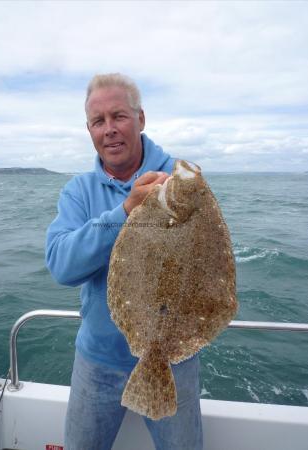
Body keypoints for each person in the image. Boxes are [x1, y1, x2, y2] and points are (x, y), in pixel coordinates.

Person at [46, 73, 203, 450]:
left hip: (171, 361)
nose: (109, 130)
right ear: (89, 130)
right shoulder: (78, 191)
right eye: (98, 122)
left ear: (141, 119)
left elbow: (205, 263)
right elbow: (61, 266)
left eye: (119, 116)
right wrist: (125, 211)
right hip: (98, 362)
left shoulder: (181, 179)